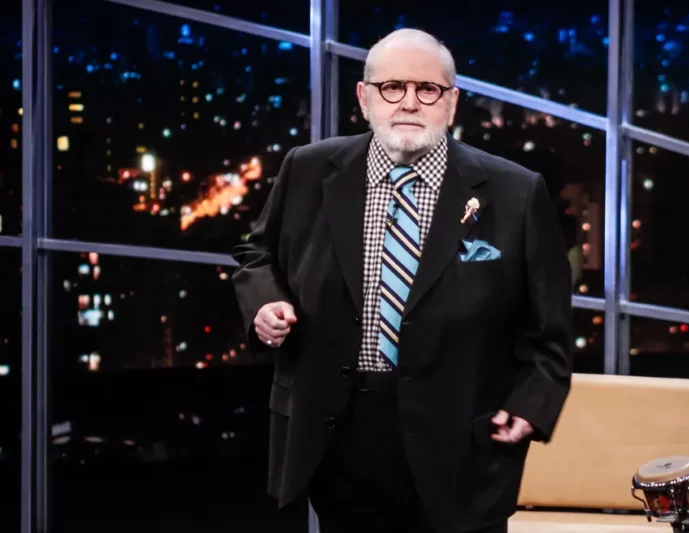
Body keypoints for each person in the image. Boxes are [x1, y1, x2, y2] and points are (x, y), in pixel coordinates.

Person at [231, 28, 573, 533]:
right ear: (364, 97)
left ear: (451, 102)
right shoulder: (307, 169)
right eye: (392, 87)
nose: (409, 102)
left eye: (427, 89)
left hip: (461, 446)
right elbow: (256, 254)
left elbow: (550, 332)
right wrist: (264, 304)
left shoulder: (515, 192)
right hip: (337, 437)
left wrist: (531, 407)